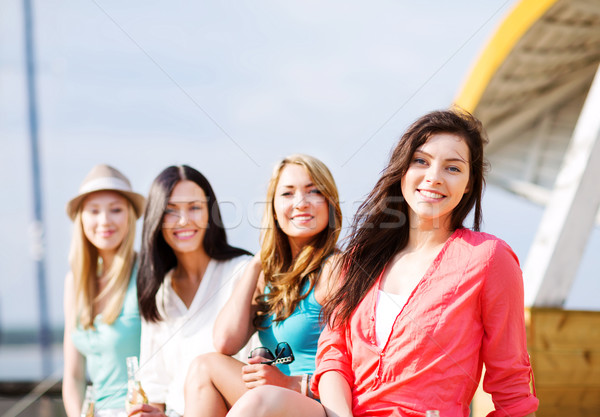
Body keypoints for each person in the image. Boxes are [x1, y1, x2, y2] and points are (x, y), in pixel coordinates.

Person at [227, 109, 539, 417]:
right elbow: (334, 354)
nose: (434, 177)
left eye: (453, 168)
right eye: (421, 161)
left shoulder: (488, 258)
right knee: (259, 403)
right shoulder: (360, 258)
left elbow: (511, 384)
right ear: (402, 170)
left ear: (469, 184)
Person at [182, 154, 342, 417]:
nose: (301, 203)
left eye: (314, 191)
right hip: (272, 400)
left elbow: (358, 367)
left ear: (330, 204)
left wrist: (291, 383)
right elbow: (224, 343)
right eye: (288, 194)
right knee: (204, 367)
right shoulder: (268, 275)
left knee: (260, 400)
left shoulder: (336, 268)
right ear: (274, 210)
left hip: (319, 403)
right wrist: (257, 264)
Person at [131, 165, 251, 417]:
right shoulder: (158, 292)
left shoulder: (242, 271)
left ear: (210, 213)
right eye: (170, 211)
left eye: (194, 207)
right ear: (156, 218)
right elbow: (154, 386)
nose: (184, 220)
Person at [62, 164, 146, 417]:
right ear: (81, 219)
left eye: (116, 210)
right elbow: (74, 375)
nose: (104, 221)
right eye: (94, 211)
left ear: (130, 217)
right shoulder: (74, 282)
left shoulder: (147, 273)